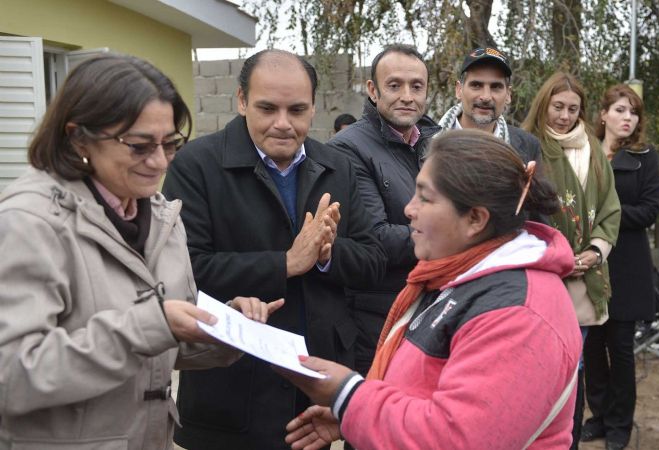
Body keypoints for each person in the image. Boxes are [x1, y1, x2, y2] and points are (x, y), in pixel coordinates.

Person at [0, 54, 281, 449]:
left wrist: (224, 331)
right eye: (138, 146)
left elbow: (159, 346)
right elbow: (12, 376)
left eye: (170, 144)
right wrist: (150, 325)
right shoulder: (29, 223)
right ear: (79, 137)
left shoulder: (163, 216)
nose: (159, 161)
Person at [282, 129, 582, 450]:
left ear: (475, 219)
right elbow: (422, 390)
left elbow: (456, 439)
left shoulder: (520, 313)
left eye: (425, 197)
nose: (409, 210)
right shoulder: (458, 275)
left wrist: (348, 394)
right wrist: (357, 416)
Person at [162, 50, 387, 449]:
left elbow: (373, 261)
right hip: (229, 388)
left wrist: (325, 256)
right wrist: (285, 264)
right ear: (242, 100)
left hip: (313, 388)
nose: (283, 124)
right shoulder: (196, 164)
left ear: (314, 107)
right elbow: (188, 271)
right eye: (267, 108)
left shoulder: (339, 166)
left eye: (297, 110)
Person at [521, 71, 621, 449]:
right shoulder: (528, 146)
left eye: (572, 109)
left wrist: (595, 251)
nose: (564, 116)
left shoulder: (592, 148)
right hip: (544, 276)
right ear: (544, 105)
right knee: (540, 370)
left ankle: (569, 440)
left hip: (584, 277)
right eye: (558, 107)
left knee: (572, 369)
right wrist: (558, 255)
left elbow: (610, 207)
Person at [327, 44, 441, 376]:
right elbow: (376, 238)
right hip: (376, 318)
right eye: (395, 85)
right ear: (373, 91)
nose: (407, 95)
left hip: (426, 308)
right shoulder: (347, 150)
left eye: (416, 86)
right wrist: (454, 235)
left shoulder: (434, 142)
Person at [580, 84, 659, 450]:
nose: (628, 118)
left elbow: (648, 211)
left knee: (621, 349)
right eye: (620, 110)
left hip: (627, 266)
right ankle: (597, 416)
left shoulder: (646, 157)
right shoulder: (584, 153)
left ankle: (619, 426)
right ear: (603, 115)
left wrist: (606, 217)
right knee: (593, 347)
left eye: (633, 113)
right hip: (589, 265)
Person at [438, 46, 542, 165]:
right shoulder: (424, 143)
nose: (486, 97)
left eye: (496, 87)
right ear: (459, 90)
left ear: (508, 94)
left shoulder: (528, 147)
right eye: (476, 85)